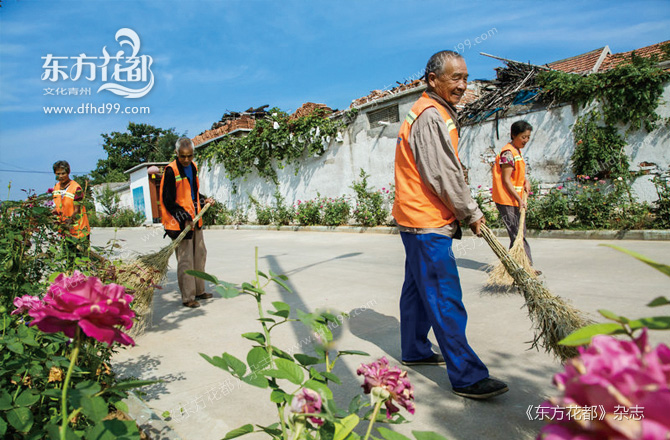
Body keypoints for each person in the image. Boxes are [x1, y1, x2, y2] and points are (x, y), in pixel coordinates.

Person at [392, 50, 508, 400]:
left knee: (416, 289)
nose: (463, 84)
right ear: (433, 80)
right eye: (455, 78)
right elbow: (441, 173)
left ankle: (414, 349)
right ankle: (468, 376)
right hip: (425, 221)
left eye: (465, 77)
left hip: (413, 217)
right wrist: (470, 212)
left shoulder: (432, 111)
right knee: (444, 296)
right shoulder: (430, 115)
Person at [160, 137, 215, 308]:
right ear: (176, 153)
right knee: (186, 261)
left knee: (200, 256)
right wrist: (184, 217)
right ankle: (188, 297)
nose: (186, 160)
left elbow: (192, 192)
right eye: (183, 156)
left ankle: (199, 290)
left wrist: (203, 200)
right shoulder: (171, 171)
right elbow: (168, 200)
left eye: (189, 156)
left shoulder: (193, 167)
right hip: (179, 224)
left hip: (195, 220)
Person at [491, 120, 536, 269]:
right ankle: (524, 267)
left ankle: (519, 266)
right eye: (523, 137)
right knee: (517, 233)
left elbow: (517, 174)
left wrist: (525, 181)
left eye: (528, 137)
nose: (526, 140)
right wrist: (519, 199)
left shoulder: (517, 152)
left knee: (518, 233)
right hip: (507, 199)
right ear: (513, 135)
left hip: (514, 199)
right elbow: (506, 180)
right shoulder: (508, 153)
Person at [52, 160, 90, 241]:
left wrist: (69, 221)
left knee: (81, 253)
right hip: (64, 230)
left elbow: (77, 209)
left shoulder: (76, 188)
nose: (61, 176)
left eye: (63, 173)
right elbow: (58, 206)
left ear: (68, 173)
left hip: (79, 230)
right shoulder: (56, 187)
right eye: (58, 174)